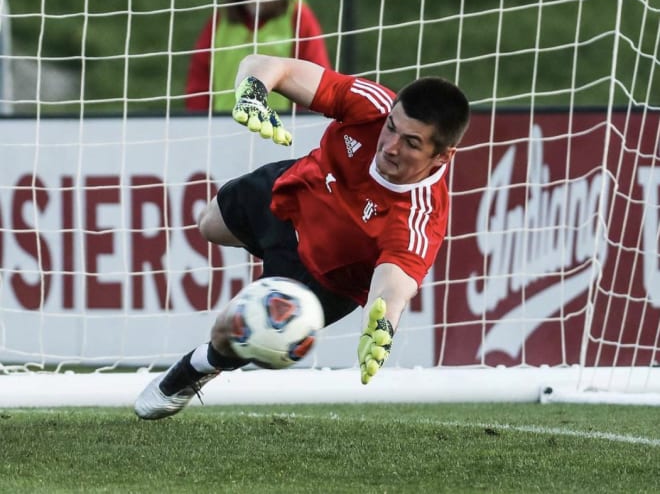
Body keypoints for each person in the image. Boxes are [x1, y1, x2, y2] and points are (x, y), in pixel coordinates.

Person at [135, 53, 470, 419]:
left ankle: (196, 368)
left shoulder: (421, 216)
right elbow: (269, 65)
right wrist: (252, 91)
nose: (389, 145)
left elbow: (392, 285)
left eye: (411, 143)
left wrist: (382, 324)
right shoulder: (371, 105)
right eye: (391, 126)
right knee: (208, 225)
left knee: (228, 334)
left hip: (320, 275)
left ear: (443, 156)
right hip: (292, 191)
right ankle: (266, 260)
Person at [185, 0, 331, 112]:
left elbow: (316, 81)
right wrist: (201, 122)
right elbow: (199, 81)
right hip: (224, 126)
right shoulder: (220, 20)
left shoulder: (299, 17)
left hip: (280, 128)